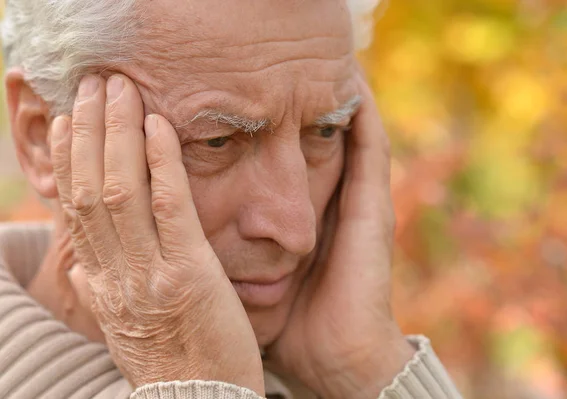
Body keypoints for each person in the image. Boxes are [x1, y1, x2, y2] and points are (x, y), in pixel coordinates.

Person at [0, 0, 463, 398]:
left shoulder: (355, 364)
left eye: (324, 131)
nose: (297, 230)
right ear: (40, 136)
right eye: (216, 141)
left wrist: (370, 371)